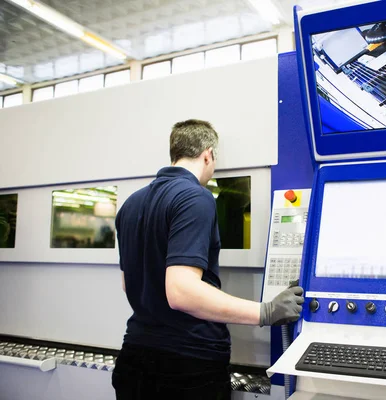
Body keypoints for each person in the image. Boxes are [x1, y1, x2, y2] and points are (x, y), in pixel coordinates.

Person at [112, 119, 304, 399]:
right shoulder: (195, 197)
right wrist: (266, 312)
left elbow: (128, 284)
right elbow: (181, 293)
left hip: (134, 360)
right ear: (208, 154)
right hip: (186, 368)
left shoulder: (131, 204)